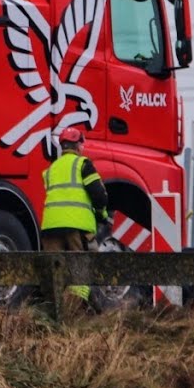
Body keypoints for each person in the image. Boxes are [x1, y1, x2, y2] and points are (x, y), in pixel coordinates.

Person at [39, 127, 110, 301]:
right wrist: (101, 215)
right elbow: (99, 196)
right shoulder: (83, 164)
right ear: (78, 146)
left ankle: (53, 313)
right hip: (76, 228)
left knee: (54, 274)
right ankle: (74, 315)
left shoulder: (51, 169)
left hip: (50, 228)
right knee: (80, 272)